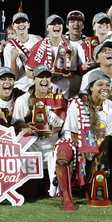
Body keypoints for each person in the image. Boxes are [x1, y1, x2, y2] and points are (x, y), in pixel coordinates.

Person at [55, 69, 112, 211]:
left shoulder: (111, 106)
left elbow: (109, 135)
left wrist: (97, 153)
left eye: (107, 85)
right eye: (100, 85)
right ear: (90, 87)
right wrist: (85, 151)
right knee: (63, 156)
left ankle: (92, 189)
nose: (105, 88)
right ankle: (66, 198)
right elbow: (72, 132)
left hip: (98, 146)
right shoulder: (77, 103)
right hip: (74, 142)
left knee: (99, 161)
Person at [12, 65, 68, 197]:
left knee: (52, 193)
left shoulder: (59, 99)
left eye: (47, 77)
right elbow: (16, 123)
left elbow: (64, 126)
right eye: (40, 77)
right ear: (34, 79)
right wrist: (25, 126)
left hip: (51, 151)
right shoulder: (23, 100)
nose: (44, 80)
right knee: (31, 194)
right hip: (31, 152)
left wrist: (55, 132)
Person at [26, 14, 81, 97]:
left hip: (64, 92)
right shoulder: (38, 47)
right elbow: (28, 72)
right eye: (53, 24)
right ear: (47, 27)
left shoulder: (71, 46)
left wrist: (68, 74)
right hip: (45, 92)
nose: (56, 25)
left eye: (59, 24)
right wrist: (42, 75)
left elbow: (75, 73)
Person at [78, 40, 112, 109]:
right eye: (104, 51)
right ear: (97, 59)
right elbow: (83, 99)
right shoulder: (88, 76)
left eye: (111, 50)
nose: (108, 52)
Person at [2, 11, 42, 92]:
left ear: (28, 24)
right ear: (13, 26)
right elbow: (13, 77)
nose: (21, 24)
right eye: (17, 22)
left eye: (24, 21)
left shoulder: (38, 40)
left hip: (38, 87)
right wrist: (13, 59)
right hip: (21, 89)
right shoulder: (9, 47)